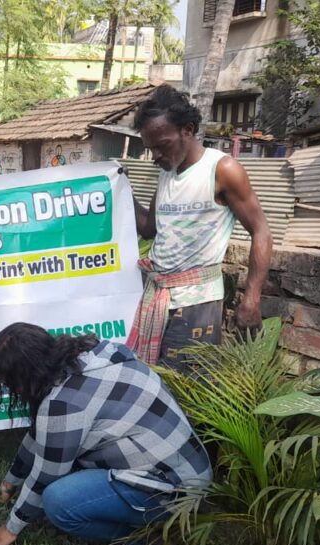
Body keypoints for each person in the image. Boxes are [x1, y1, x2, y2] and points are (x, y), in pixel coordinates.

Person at [0, 323, 211, 545]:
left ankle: (149, 535)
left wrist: (10, 528)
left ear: (25, 376)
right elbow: (41, 434)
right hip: (190, 469)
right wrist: (11, 481)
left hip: (175, 494)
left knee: (58, 502)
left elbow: (45, 476)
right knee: (65, 472)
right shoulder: (97, 354)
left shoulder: (62, 405)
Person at [128, 85, 272, 370]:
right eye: (150, 148)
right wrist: (119, 191)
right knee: (158, 388)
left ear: (188, 130)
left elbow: (261, 231)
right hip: (159, 299)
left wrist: (252, 298)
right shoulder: (167, 173)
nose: (155, 155)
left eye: (162, 145)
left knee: (187, 392)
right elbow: (150, 229)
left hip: (197, 306)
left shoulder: (221, 169)